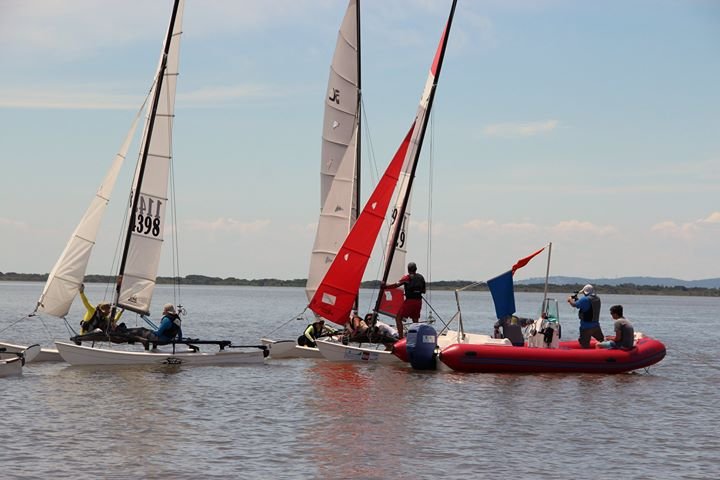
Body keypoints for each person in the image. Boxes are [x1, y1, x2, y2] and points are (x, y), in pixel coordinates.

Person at [381, 262, 426, 339]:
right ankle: (416, 338)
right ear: (416, 269)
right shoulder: (421, 277)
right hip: (418, 301)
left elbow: (396, 285)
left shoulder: (406, 278)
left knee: (398, 318)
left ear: (408, 270)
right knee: (415, 320)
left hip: (409, 302)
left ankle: (401, 337)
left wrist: (385, 287)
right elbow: (424, 291)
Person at [567, 284, 604, 348]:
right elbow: (585, 305)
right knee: (602, 341)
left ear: (585, 292)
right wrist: (577, 299)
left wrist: (570, 299)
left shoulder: (585, 299)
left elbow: (574, 304)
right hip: (596, 326)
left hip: (586, 327)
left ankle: (586, 356)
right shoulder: (597, 298)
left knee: (584, 345)